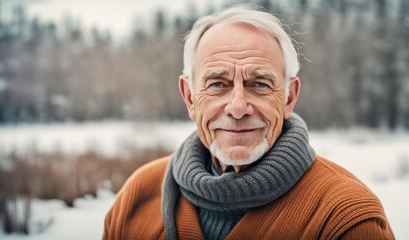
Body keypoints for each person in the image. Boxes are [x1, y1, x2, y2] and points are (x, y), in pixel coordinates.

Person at [103, 5, 394, 240]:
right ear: (190, 97)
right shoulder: (138, 195)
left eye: (260, 84)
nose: (238, 107)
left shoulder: (345, 217)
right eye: (218, 84)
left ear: (289, 98)